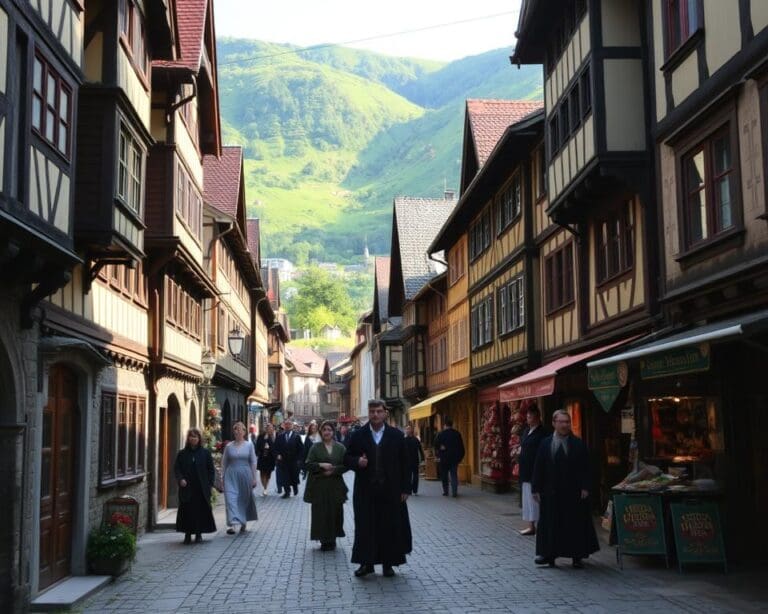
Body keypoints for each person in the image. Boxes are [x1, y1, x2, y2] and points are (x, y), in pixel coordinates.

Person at [344, 399, 412, 578]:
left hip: (391, 490)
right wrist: (357, 461)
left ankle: (389, 563)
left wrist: (406, 488)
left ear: (385, 413)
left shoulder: (396, 435)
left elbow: (406, 463)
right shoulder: (358, 435)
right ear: (369, 412)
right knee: (365, 527)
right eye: (372, 411)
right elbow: (346, 458)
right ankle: (366, 564)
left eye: (378, 411)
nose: (375, 414)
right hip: (366, 489)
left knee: (389, 526)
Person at [532, 410, 599, 568]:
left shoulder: (578, 444)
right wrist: (535, 488)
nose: (564, 425)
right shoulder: (545, 443)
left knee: (574, 523)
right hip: (551, 491)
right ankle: (549, 555)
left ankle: (577, 555)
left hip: (573, 491)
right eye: (561, 422)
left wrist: (585, 487)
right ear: (554, 423)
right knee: (550, 523)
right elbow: (538, 466)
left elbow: (586, 468)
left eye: (567, 422)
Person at [303, 421, 349, 551]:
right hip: (319, 486)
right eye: (324, 430)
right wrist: (320, 465)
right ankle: (323, 539)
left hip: (335, 486)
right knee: (320, 513)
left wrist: (334, 470)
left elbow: (347, 465)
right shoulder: (315, 447)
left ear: (333, 432)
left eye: (329, 429)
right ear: (321, 432)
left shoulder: (340, 448)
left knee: (335, 512)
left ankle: (332, 538)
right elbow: (308, 464)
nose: (327, 432)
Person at [174, 428, 217, 544]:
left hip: (201, 488)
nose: (193, 439)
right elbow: (177, 469)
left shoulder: (205, 453)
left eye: (195, 437)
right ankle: (187, 534)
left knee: (199, 511)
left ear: (199, 439)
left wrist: (210, 484)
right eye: (191, 437)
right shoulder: (182, 454)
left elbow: (211, 470)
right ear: (188, 439)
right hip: (187, 488)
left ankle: (198, 534)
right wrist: (181, 479)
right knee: (187, 511)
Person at [221, 422, 259, 534]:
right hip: (231, 474)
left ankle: (243, 522)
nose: (238, 431)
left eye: (240, 429)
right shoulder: (228, 446)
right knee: (231, 499)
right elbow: (224, 463)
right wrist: (222, 478)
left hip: (245, 474)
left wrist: (254, 477)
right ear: (233, 432)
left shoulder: (249, 445)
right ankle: (232, 524)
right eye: (236, 429)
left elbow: (253, 461)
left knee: (243, 499)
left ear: (244, 432)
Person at [518, 404, 547, 536]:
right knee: (527, 499)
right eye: (527, 416)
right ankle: (531, 525)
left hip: (535, 470)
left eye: (530, 416)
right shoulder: (526, 431)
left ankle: (540, 525)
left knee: (535, 499)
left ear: (537, 417)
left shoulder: (542, 433)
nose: (528, 418)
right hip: (525, 470)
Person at [434, 418, 465, 497]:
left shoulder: (441, 434)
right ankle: (454, 492)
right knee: (454, 475)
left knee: (444, 476)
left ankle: (446, 491)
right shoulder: (457, 434)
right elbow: (461, 447)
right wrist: (460, 458)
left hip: (444, 458)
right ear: (452, 425)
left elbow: (436, 445)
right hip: (454, 459)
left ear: (445, 425)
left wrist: (439, 452)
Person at [274, 419, 303, 498]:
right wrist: (278, 455)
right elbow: (275, 448)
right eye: (286, 424)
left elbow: (301, 449)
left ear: (292, 426)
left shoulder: (296, 436)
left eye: (289, 424)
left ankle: (295, 487)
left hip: (293, 460)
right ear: (284, 426)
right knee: (285, 477)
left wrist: (299, 459)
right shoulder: (280, 436)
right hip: (283, 461)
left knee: (293, 476)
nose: (287, 426)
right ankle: (287, 492)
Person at [255, 423, 277, 496]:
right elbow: (258, 446)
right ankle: (265, 488)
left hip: (270, 458)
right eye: (268, 428)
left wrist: (268, 439)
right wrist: (264, 440)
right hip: (262, 457)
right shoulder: (261, 436)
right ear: (266, 429)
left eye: (270, 428)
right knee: (262, 473)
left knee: (268, 474)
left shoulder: (273, 437)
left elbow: (274, 447)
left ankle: (265, 487)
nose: (269, 429)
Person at [403, 425, 424, 495]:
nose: (408, 430)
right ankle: (412, 490)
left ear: (411, 430)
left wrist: (423, 458)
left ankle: (412, 490)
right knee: (410, 476)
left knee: (413, 476)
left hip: (412, 460)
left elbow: (420, 449)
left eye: (409, 429)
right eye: (407, 429)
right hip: (409, 461)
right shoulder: (405, 440)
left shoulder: (413, 440)